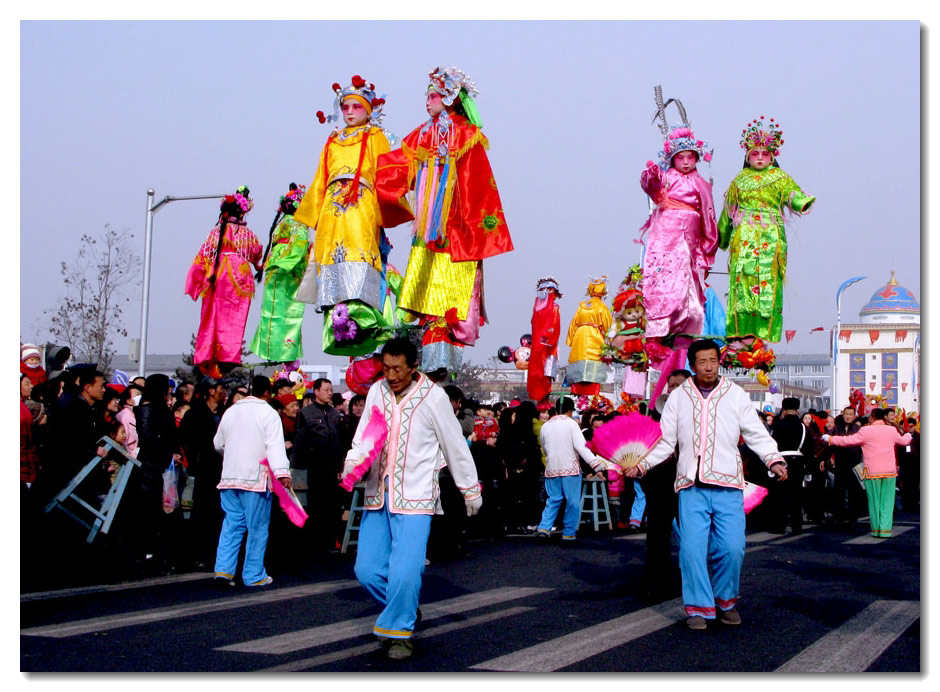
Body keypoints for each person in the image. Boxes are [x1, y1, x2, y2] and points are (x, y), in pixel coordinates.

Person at [625, 339, 787, 629]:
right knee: (691, 549)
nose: (709, 367)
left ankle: (726, 601)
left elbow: (755, 433)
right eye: (702, 362)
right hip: (691, 485)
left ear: (719, 361)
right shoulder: (678, 397)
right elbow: (666, 441)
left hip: (728, 485)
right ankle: (698, 607)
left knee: (732, 548)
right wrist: (642, 464)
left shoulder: (735, 395)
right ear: (692, 365)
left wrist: (773, 459)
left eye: (713, 360)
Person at [345, 337, 482, 660]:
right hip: (377, 492)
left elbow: (454, 444)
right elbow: (364, 436)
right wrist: (353, 464)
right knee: (365, 570)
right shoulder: (377, 391)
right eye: (386, 368)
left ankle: (400, 633)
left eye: (397, 369)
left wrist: (469, 488)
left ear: (413, 366)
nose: (391, 375)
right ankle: (404, 607)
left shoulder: (433, 398)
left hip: (416, 496)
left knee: (406, 571)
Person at [375, 66, 513, 373]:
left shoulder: (466, 134)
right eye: (427, 96)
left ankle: (443, 369)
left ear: (450, 98)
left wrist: (471, 229)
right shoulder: (423, 133)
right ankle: (429, 363)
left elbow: (478, 185)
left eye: (434, 95)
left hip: (455, 227)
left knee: (450, 301)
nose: (428, 101)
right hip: (427, 228)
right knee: (428, 300)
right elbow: (399, 162)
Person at [292, 75, 399, 357]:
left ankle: (362, 318)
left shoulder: (376, 137)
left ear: (369, 110)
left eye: (356, 107)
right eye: (346, 107)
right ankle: (337, 320)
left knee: (360, 252)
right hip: (331, 207)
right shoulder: (333, 140)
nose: (350, 112)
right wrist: (311, 214)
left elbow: (389, 172)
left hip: (361, 202)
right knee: (331, 256)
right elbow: (320, 177)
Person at [640, 87, 718, 384]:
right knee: (662, 281)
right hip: (664, 232)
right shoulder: (667, 177)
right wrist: (651, 175)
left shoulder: (700, 183)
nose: (685, 162)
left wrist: (707, 248)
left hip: (688, 235)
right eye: (680, 157)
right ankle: (657, 331)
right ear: (672, 159)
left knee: (688, 289)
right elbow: (652, 188)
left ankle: (683, 332)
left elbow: (709, 215)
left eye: (690, 157)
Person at [717, 117, 815, 343]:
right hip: (743, 238)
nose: (760, 158)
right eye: (755, 153)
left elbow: (792, 194)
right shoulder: (739, 181)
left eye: (764, 154)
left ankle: (764, 332)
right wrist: (718, 239)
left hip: (770, 237)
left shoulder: (780, 178)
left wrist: (801, 201)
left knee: (767, 283)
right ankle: (742, 333)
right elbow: (728, 213)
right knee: (743, 282)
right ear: (747, 156)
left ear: (772, 156)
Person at [213, 374, 291, 587]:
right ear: (268, 392)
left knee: (231, 525)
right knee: (256, 528)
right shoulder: (268, 413)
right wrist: (283, 472)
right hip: (255, 479)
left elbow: (218, 443)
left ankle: (223, 570)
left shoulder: (231, 411)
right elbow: (275, 446)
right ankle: (253, 574)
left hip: (230, 477)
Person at [184, 187, 263, 377]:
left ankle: (210, 353)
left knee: (213, 316)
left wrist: (196, 279)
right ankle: (229, 355)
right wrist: (260, 266)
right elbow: (256, 254)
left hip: (220, 276)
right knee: (235, 320)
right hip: (241, 280)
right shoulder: (249, 235)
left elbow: (204, 255)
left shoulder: (217, 232)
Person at [639, 368, 690, 601]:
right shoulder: (655, 418)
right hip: (660, 482)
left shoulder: (699, 417)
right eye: (671, 386)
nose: (674, 390)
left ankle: (694, 584)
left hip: (690, 483)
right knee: (657, 536)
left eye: (680, 385)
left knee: (693, 537)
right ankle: (656, 584)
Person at [824, 408, 912, 538]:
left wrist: (830, 439)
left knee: (874, 500)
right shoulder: (891, 430)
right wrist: (908, 435)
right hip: (889, 470)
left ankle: (876, 529)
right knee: (887, 500)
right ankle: (885, 530)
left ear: (872, 417)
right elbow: (904, 441)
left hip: (872, 471)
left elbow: (847, 441)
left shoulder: (866, 430)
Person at [535, 397, 611, 541]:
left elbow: (544, 448)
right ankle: (568, 532)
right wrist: (595, 464)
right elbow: (581, 447)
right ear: (570, 410)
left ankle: (544, 527)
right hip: (570, 467)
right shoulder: (571, 424)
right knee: (572, 501)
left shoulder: (546, 426)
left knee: (553, 499)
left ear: (556, 409)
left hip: (552, 467)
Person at [249, 183, 310, 363]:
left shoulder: (290, 222)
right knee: (275, 308)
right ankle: (274, 349)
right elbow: (299, 242)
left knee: (285, 308)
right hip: (279, 265)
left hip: (285, 266)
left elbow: (300, 244)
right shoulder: (289, 222)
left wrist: (284, 262)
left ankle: (281, 350)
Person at [180, 376, 228, 568]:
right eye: (220, 389)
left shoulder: (225, 414)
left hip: (223, 469)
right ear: (210, 391)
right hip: (204, 469)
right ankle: (198, 554)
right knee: (202, 510)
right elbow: (184, 439)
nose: (224, 393)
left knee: (220, 512)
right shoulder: (195, 414)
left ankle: (216, 554)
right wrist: (195, 459)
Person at [291, 378, 344, 551]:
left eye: (331, 390)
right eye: (326, 389)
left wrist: (341, 464)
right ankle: (314, 543)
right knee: (315, 506)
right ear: (316, 391)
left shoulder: (335, 414)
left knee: (333, 506)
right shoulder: (306, 413)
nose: (330, 393)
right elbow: (299, 441)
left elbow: (341, 441)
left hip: (333, 467)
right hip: (314, 467)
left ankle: (330, 541)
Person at [768, 398, 815, 534]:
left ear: (783, 410)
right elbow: (809, 449)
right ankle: (796, 526)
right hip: (798, 462)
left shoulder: (777, 426)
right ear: (797, 410)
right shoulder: (803, 428)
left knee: (779, 495)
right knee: (796, 495)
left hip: (781, 461)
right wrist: (808, 468)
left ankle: (778, 526)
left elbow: (771, 445)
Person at [566, 277, 612, 397]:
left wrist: (570, 340)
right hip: (594, 338)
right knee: (593, 371)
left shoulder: (582, 307)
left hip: (579, 339)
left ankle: (578, 395)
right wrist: (612, 345)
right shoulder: (602, 307)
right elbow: (609, 328)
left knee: (579, 369)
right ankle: (592, 396)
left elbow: (573, 324)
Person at [829, 406, 865, 526]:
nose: (848, 416)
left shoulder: (858, 429)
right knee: (838, 491)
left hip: (854, 464)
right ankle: (838, 517)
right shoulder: (836, 428)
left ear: (854, 416)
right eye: (846, 414)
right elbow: (830, 443)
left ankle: (853, 517)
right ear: (842, 415)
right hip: (840, 464)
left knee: (854, 492)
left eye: (850, 414)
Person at [527, 277, 562, 403]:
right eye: (542, 289)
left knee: (546, 373)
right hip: (537, 345)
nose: (545, 292)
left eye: (549, 290)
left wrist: (547, 339)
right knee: (536, 373)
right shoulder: (537, 307)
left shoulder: (554, 307)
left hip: (548, 347)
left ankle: (545, 401)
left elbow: (555, 327)